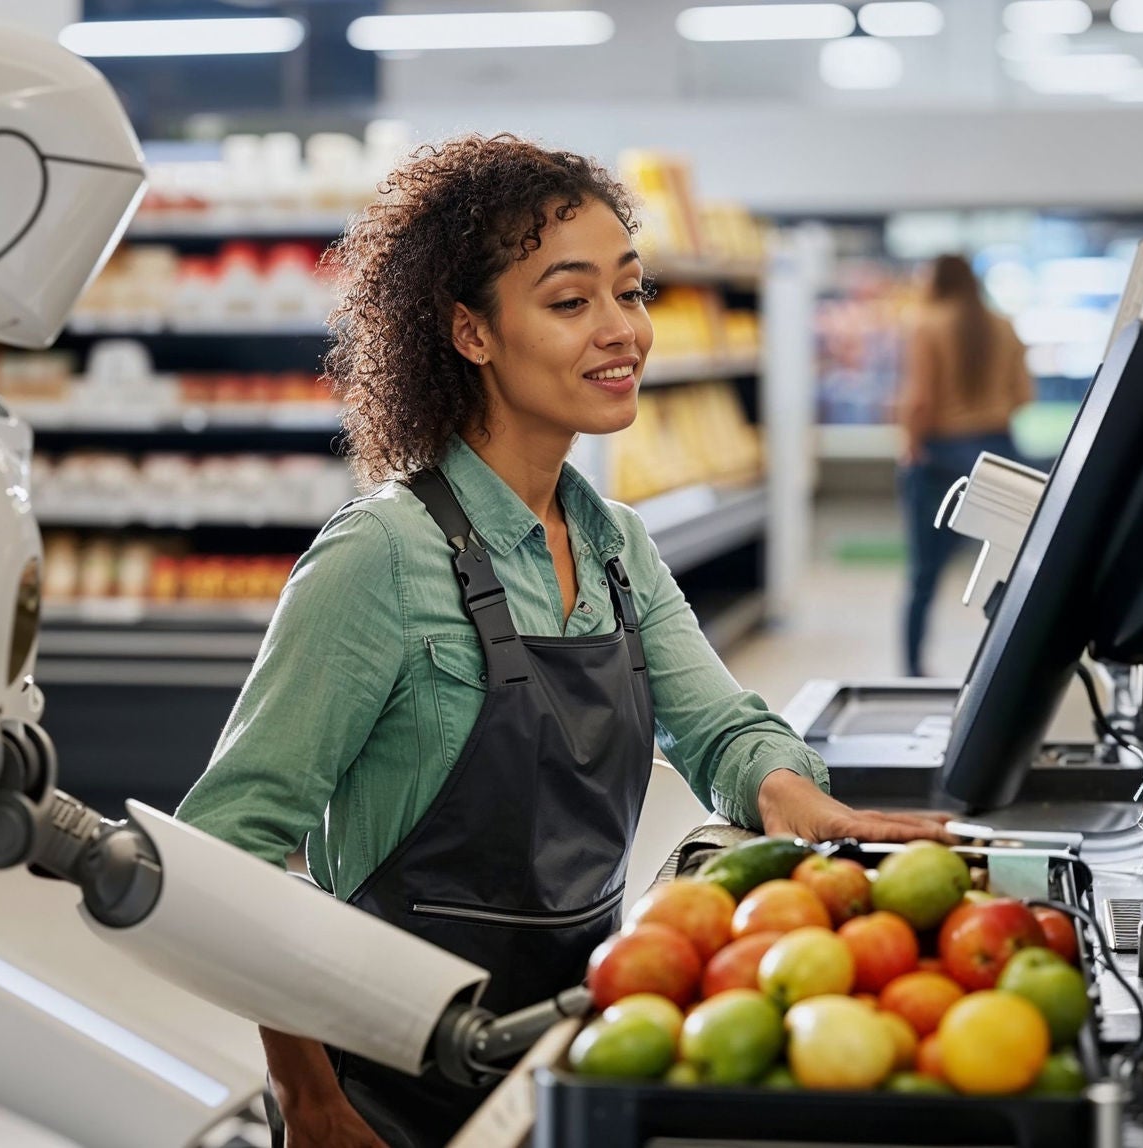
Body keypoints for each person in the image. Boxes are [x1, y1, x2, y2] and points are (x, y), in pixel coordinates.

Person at [175, 135, 951, 1148]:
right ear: (470, 333)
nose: (622, 329)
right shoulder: (382, 557)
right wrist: (308, 1095)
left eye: (630, 293)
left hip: (555, 1054)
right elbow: (229, 846)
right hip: (382, 1096)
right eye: (569, 299)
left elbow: (717, 727)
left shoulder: (614, 542)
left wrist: (805, 805)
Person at [894, 253, 1033, 677]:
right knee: (1013, 569)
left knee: (924, 574)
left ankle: (914, 668)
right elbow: (1024, 395)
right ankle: (1011, 666)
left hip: (940, 459)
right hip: (999, 454)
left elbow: (920, 400)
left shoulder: (926, 324)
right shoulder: (1004, 325)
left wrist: (911, 446)